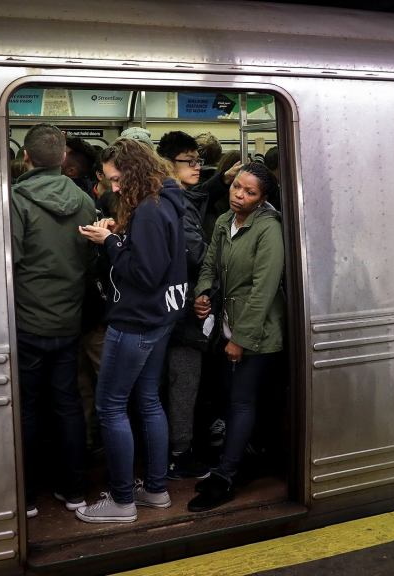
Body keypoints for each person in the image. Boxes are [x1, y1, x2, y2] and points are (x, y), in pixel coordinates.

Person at [75, 139, 188, 523]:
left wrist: (109, 243)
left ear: (136, 171)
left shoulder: (150, 211)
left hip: (136, 320)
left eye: (119, 180)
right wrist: (119, 237)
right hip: (161, 318)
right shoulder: (167, 199)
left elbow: (143, 274)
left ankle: (122, 501)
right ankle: (155, 490)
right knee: (148, 401)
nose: (116, 188)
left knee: (110, 405)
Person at [11, 123, 96, 518]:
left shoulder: (16, 200)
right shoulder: (84, 201)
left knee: (26, 407)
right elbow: (89, 258)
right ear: (63, 158)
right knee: (67, 404)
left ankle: (27, 497)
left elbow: (10, 263)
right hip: (69, 318)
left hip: (27, 321)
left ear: (26, 157)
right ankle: (75, 490)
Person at [190, 162, 285, 512]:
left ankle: (226, 477)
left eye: (250, 193)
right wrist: (202, 293)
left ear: (262, 200)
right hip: (228, 322)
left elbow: (264, 289)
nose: (239, 196)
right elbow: (210, 264)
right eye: (236, 188)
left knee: (242, 401)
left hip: (257, 332)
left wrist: (240, 339)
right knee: (231, 400)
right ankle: (236, 460)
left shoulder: (268, 229)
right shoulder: (222, 222)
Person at [155, 131, 212, 479]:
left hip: (173, 306)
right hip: (183, 310)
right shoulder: (176, 203)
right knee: (182, 381)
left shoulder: (177, 199)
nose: (197, 167)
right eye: (189, 161)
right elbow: (196, 253)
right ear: (168, 164)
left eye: (199, 160)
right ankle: (179, 452)